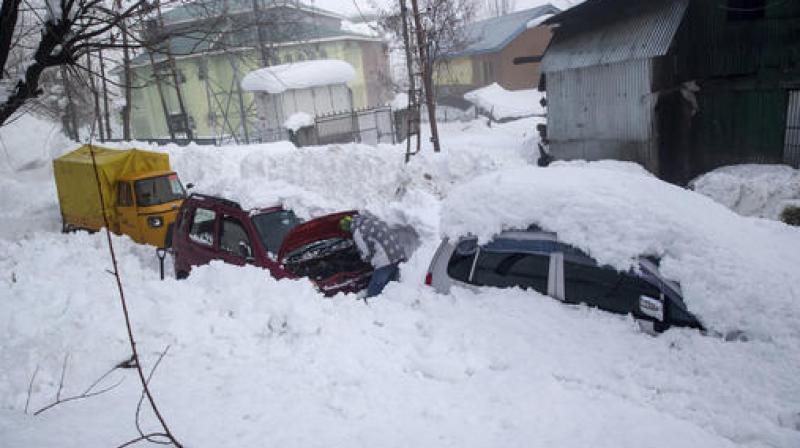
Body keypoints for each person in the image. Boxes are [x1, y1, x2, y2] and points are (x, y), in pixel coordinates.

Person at [340, 212, 407, 298]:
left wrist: (364, 259)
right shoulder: (370, 220)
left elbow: (366, 253)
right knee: (393, 287)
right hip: (398, 253)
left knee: (373, 292)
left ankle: (373, 304)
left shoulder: (357, 231)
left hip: (385, 260)